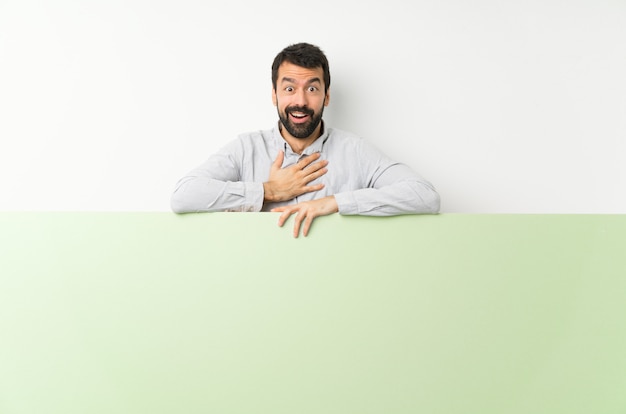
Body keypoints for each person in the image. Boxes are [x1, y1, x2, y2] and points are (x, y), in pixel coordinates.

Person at [171, 42, 440, 237]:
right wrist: (268, 191)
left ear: (326, 96)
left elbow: (425, 196)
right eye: (289, 89)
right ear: (275, 95)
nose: (300, 101)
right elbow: (184, 196)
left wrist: (334, 203)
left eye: (312, 88)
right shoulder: (246, 149)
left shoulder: (355, 151)